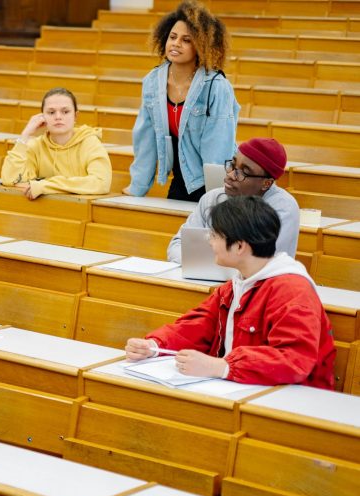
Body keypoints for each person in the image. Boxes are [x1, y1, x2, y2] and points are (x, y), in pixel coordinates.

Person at [126, 196, 334, 389]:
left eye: (215, 235)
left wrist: (222, 367)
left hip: (286, 399)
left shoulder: (292, 291)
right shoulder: (239, 283)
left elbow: (293, 359)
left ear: (240, 246)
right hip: (245, 388)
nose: (209, 241)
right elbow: (198, 324)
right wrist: (154, 345)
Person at [125, 0, 238, 201]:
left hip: (214, 182)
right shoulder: (152, 82)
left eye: (187, 40)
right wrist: (137, 187)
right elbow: (145, 139)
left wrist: (216, 197)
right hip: (182, 177)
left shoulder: (216, 86)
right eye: (173, 37)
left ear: (201, 46)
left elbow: (218, 147)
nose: (176, 43)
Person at [166, 137, 299, 263]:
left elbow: (264, 262)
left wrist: (209, 261)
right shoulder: (211, 198)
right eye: (232, 165)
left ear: (266, 183)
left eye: (244, 172)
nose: (230, 175)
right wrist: (212, 265)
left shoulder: (282, 208)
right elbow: (177, 246)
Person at [0, 87, 111, 199]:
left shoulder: (90, 142)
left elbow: (101, 182)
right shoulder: (36, 146)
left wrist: (45, 185)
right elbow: (10, 180)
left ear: (75, 116)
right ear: (43, 117)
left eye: (65, 112)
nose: (58, 117)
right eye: (51, 112)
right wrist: (25, 135)